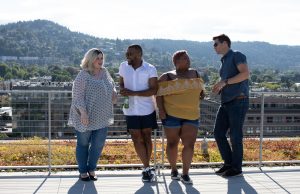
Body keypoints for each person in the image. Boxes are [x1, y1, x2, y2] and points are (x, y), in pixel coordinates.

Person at [156, 50, 205, 184]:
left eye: (188, 58)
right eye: (185, 58)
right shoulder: (167, 76)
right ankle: (173, 170)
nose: (188, 60)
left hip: (192, 115)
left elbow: (201, 90)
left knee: (189, 144)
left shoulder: (195, 73)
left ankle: (185, 173)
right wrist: (161, 110)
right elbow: (158, 94)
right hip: (171, 115)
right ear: (176, 62)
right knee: (172, 144)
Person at [68, 48, 117, 181]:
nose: (100, 61)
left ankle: (92, 169)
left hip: (102, 116)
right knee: (83, 144)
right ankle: (83, 170)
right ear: (90, 59)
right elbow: (77, 96)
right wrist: (83, 113)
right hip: (85, 116)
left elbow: (111, 84)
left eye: (101, 58)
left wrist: (114, 92)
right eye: (97, 58)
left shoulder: (105, 72)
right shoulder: (83, 75)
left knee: (98, 144)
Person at [119, 44, 158, 182]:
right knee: (136, 137)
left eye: (130, 53)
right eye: (127, 53)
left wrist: (133, 93)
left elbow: (154, 90)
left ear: (139, 55)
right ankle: (147, 167)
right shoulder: (123, 66)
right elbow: (121, 83)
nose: (127, 56)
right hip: (130, 109)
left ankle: (147, 168)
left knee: (147, 137)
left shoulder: (150, 68)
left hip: (147, 108)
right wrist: (123, 90)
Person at [212, 34, 250, 177]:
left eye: (215, 44)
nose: (214, 47)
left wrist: (224, 82)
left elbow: (245, 74)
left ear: (225, 43)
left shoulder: (237, 55)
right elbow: (228, 79)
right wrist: (220, 87)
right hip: (226, 102)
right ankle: (228, 164)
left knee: (235, 135)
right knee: (218, 133)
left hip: (239, 101)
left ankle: (236, 168)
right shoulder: (224, 60)